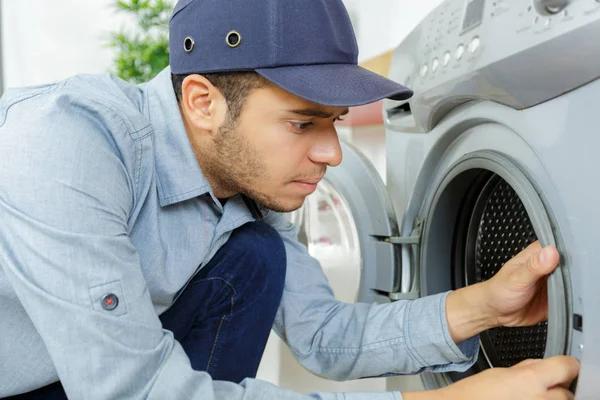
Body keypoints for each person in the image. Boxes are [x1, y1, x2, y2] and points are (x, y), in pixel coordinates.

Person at [0, 0, 579, 399]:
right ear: (203, 103)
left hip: (97, 375)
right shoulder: (66, 145)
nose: (331, 153)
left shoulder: (250, 182)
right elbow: (132, 391)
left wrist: (486, 306)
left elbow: (321, 336)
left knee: (255, 258)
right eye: (303, 124)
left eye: (335, 121)